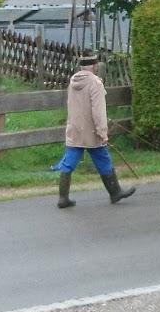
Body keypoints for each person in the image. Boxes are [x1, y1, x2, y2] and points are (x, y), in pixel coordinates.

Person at [52, 51, 135, 209]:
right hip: (91, 131)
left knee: (69, 162)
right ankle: (115, 192)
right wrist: (102, 132)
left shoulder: (73, 81)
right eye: (96, 65)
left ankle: (63, 198)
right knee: (103, 159)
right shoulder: (95, 83)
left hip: (75, 129)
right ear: (94, 66)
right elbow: (98, 111)